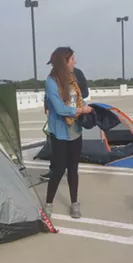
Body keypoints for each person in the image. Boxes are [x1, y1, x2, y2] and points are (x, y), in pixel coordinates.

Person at [43, 46, 93, 218]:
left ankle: (74, 203)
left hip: (75, 130)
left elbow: (81, 94)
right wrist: (81, 111)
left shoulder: (74, 77)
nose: (75, 62)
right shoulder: (51, 81)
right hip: (60, 132)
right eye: (72, 59)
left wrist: (85, 109)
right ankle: (48, 204)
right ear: (64, 62)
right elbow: (59, 108)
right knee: (58, 169)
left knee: (73, 168)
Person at [40, 62, 89, 181]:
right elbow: (50, 95)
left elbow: (84, 93)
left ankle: (60, 170)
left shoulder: (77, 74)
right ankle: (57, 169)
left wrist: (77, 105)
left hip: (71, 115)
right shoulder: (54, 77)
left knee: (66, 146)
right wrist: (47, 106)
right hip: (59, 117)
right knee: (55, 142)